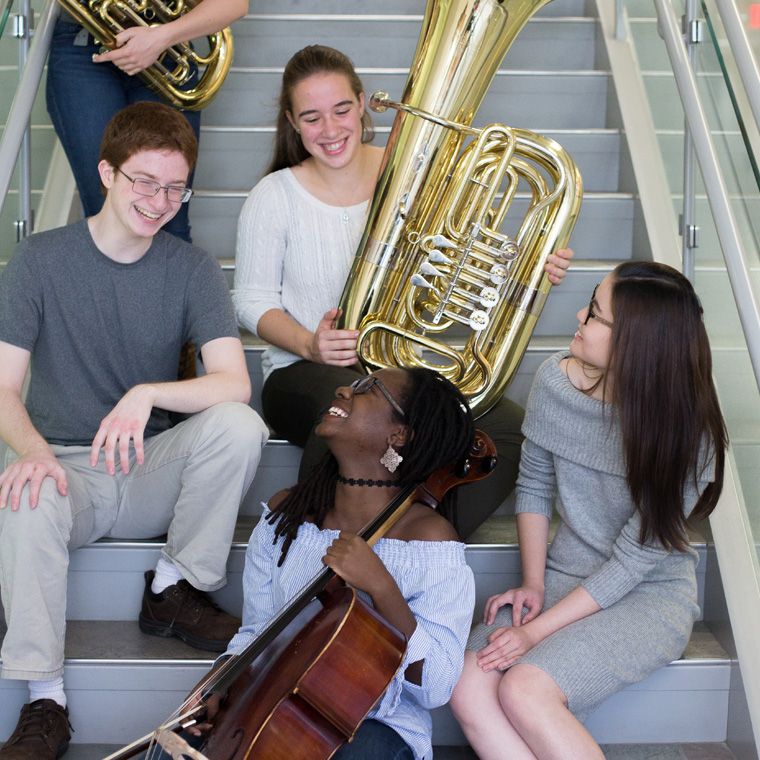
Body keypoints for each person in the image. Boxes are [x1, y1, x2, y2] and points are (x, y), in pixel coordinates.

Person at [0, 101, 269, 760]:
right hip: (72, 470)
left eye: (175, 187)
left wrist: (147, 394)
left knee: (239, 424)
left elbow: (233, 381)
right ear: (107, 174)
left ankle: (174, 586)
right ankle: (45, 700)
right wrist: (34, 452)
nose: (160, 200)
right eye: (145, 181)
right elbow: (3, 386)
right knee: (26, 490)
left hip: (150, 466)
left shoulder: (191, 268)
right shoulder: (39, 260)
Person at [233, 44, 573, 540]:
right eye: (311, 117)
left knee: (510, 428)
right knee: (348, 410)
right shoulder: (276, 195)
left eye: (341, 110)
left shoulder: (417, 176)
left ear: (365, 102)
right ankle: (309, 553)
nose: (329, 130)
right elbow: (249, 300)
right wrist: (310, 343)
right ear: (292, 121)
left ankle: (411, 542)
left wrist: (528, 264)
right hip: (303, 373)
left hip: (399, 370)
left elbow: (463, 255)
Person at [449, 261, 728, 759]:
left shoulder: (687, 432)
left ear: (635, 344)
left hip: (650, 595)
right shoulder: (555, 382)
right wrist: (533, 584)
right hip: (565, 575)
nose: (579, 314)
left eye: (596, 314)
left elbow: (632, 561)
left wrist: (532, 632)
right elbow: (533, 483)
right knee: (469, 681)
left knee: (524, 689)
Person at [196, 367, 477, 759]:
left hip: (376, 726)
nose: (343, 389)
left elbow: (435, 686)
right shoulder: (287, 516)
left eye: (368, 389)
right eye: (352, 384)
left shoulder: (430, 541)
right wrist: (225, 674)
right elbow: (259, 630)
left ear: (398, 436)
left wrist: (382, 588)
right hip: (271, 712)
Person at [46, 0, 247, 242]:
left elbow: (234, 4)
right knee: (106, 213)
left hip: (166, 49)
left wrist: (160, 37)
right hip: (81, 44)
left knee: (167, 213)